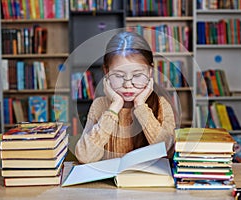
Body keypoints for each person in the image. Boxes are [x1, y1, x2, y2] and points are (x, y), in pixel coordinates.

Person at [75, 31, 177, 164]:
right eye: (118, 76)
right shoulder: (100, 105)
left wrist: (141, 106)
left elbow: (168, 152)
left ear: (150, 72)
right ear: (107, 72)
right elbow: (85, 157)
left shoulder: (161, 104)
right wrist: (114, 108)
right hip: (110, 184)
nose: (128, 85)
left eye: (137, 75)